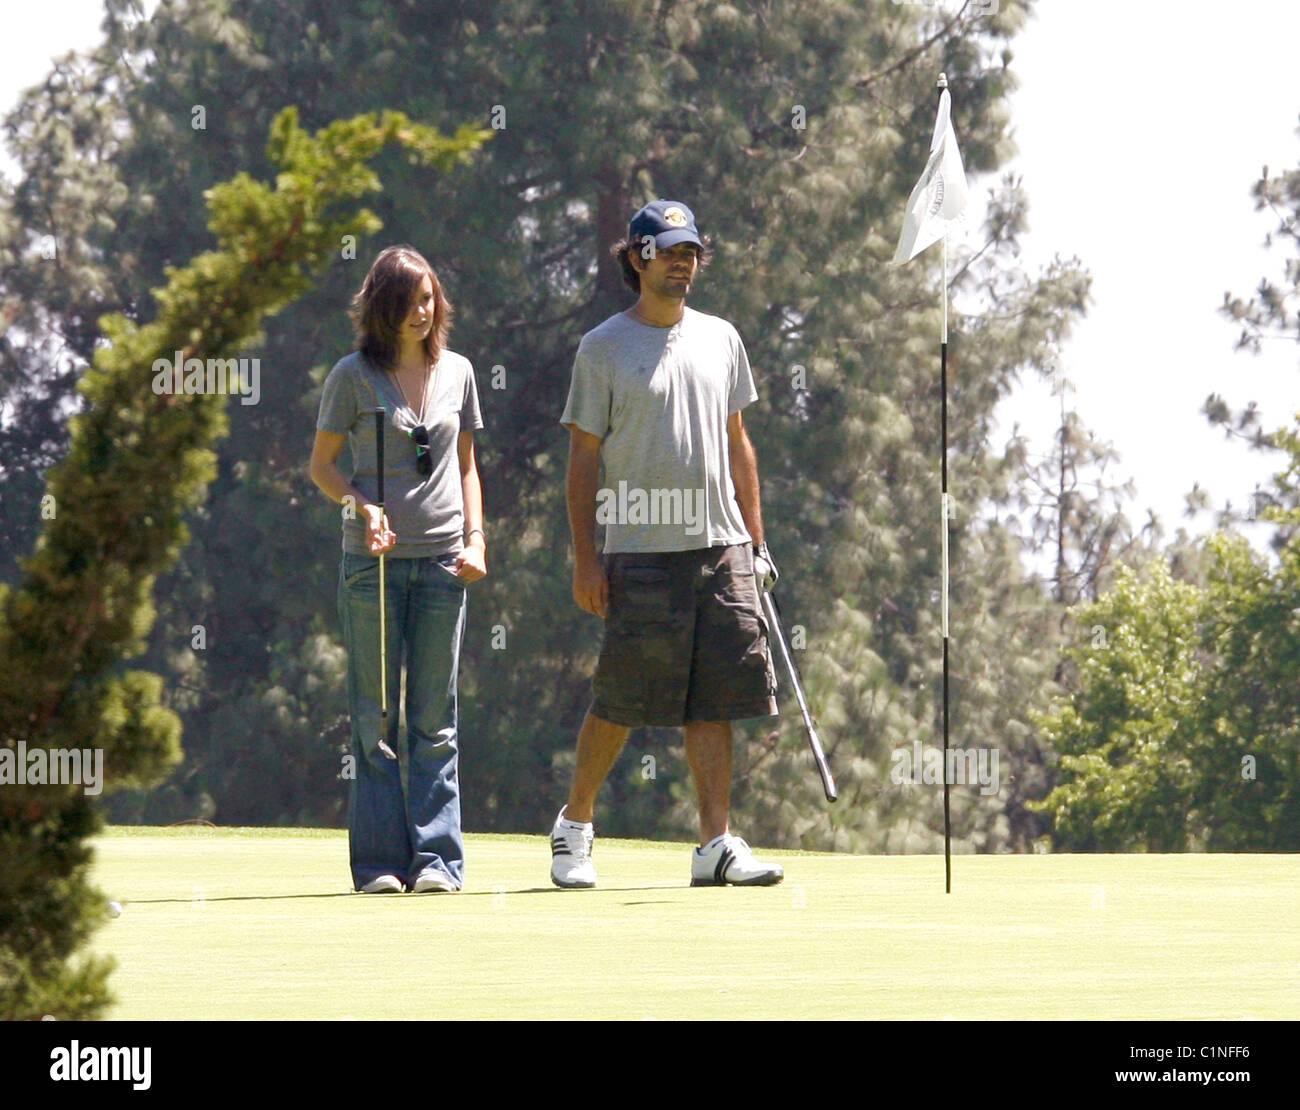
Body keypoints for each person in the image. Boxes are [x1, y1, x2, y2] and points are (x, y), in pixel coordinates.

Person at [551, 199, 784, 889]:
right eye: (669, 250)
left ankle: (716, 843)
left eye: (691, 251)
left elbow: (739, 443)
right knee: (622, 699)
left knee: (715, 699)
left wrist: (757, 543)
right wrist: (586, 559)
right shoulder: (603, 348)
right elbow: (583, 462)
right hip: (641, 548)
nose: (683, 261)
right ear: (637, 258)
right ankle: (575, 827)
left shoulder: (721, 338)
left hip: (720, 545)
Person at [309, 244, 485, 894]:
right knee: (374, 719)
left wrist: (477, 540)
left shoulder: (461, 372)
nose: (422, 311)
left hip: (443, 566)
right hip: (373, 570)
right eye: (409, 301)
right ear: (382, 307)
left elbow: (466, 467)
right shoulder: (351, 376)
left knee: (435, 720)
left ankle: (438, 863)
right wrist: (361, 507)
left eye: (429, 298)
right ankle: (379, 865)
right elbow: (322, 467)